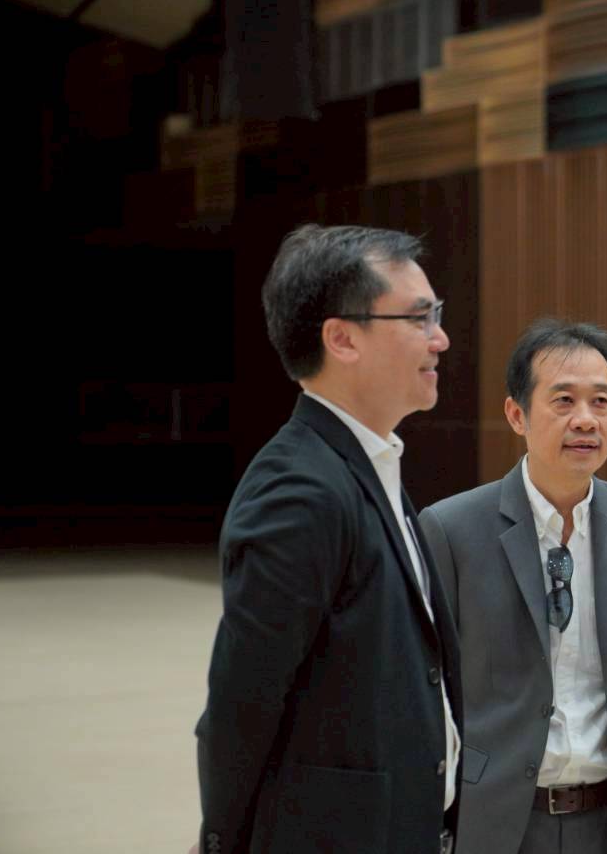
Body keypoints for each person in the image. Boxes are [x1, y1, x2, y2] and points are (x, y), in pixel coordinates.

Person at [192, 225, 460, 854]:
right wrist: (221, 841)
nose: (440, 338)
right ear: (342, 338)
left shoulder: (367, 463)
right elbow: (244, 697)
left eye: (437, 315)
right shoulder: (299, 489)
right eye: (419, 317)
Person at [419, 319, 607, 854]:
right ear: (517, 414)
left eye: (601, 402)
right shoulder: (451, 529)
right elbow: (430, 682)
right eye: (563, 400)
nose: (586, 419)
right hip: (497, 814)